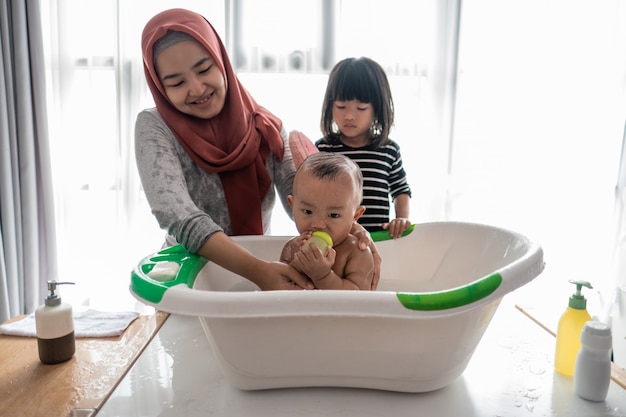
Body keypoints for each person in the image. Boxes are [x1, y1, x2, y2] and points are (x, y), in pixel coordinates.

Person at [136, 8, 381, 291]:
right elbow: (178, 215)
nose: (196, 88)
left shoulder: (266, 128)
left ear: (222, 62)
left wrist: (355, 234)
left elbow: (311, 198)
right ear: (159, 86)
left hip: (262, 276)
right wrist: (256, 270)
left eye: (204, 69)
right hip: (191, 276)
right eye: (177, 82)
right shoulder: (155, 126)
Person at [316, 57, 412, 238]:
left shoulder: (389, 151)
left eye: (361, 108)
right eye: (341, 106)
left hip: (379, 241)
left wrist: (401, 219)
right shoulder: (324, 149)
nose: (350, 116)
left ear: (377, 109)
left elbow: (401, 190)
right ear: (330, 105)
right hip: (337, 241)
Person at [280, 153, 374, 290]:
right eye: (308, 212)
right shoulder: (292, 248)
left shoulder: (357, 254)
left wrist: (322, 276)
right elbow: (279, 288)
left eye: (333, 215)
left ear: (355, 215)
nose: (318, 224)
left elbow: (358, 300)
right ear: (292, 207)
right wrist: (296, 264)